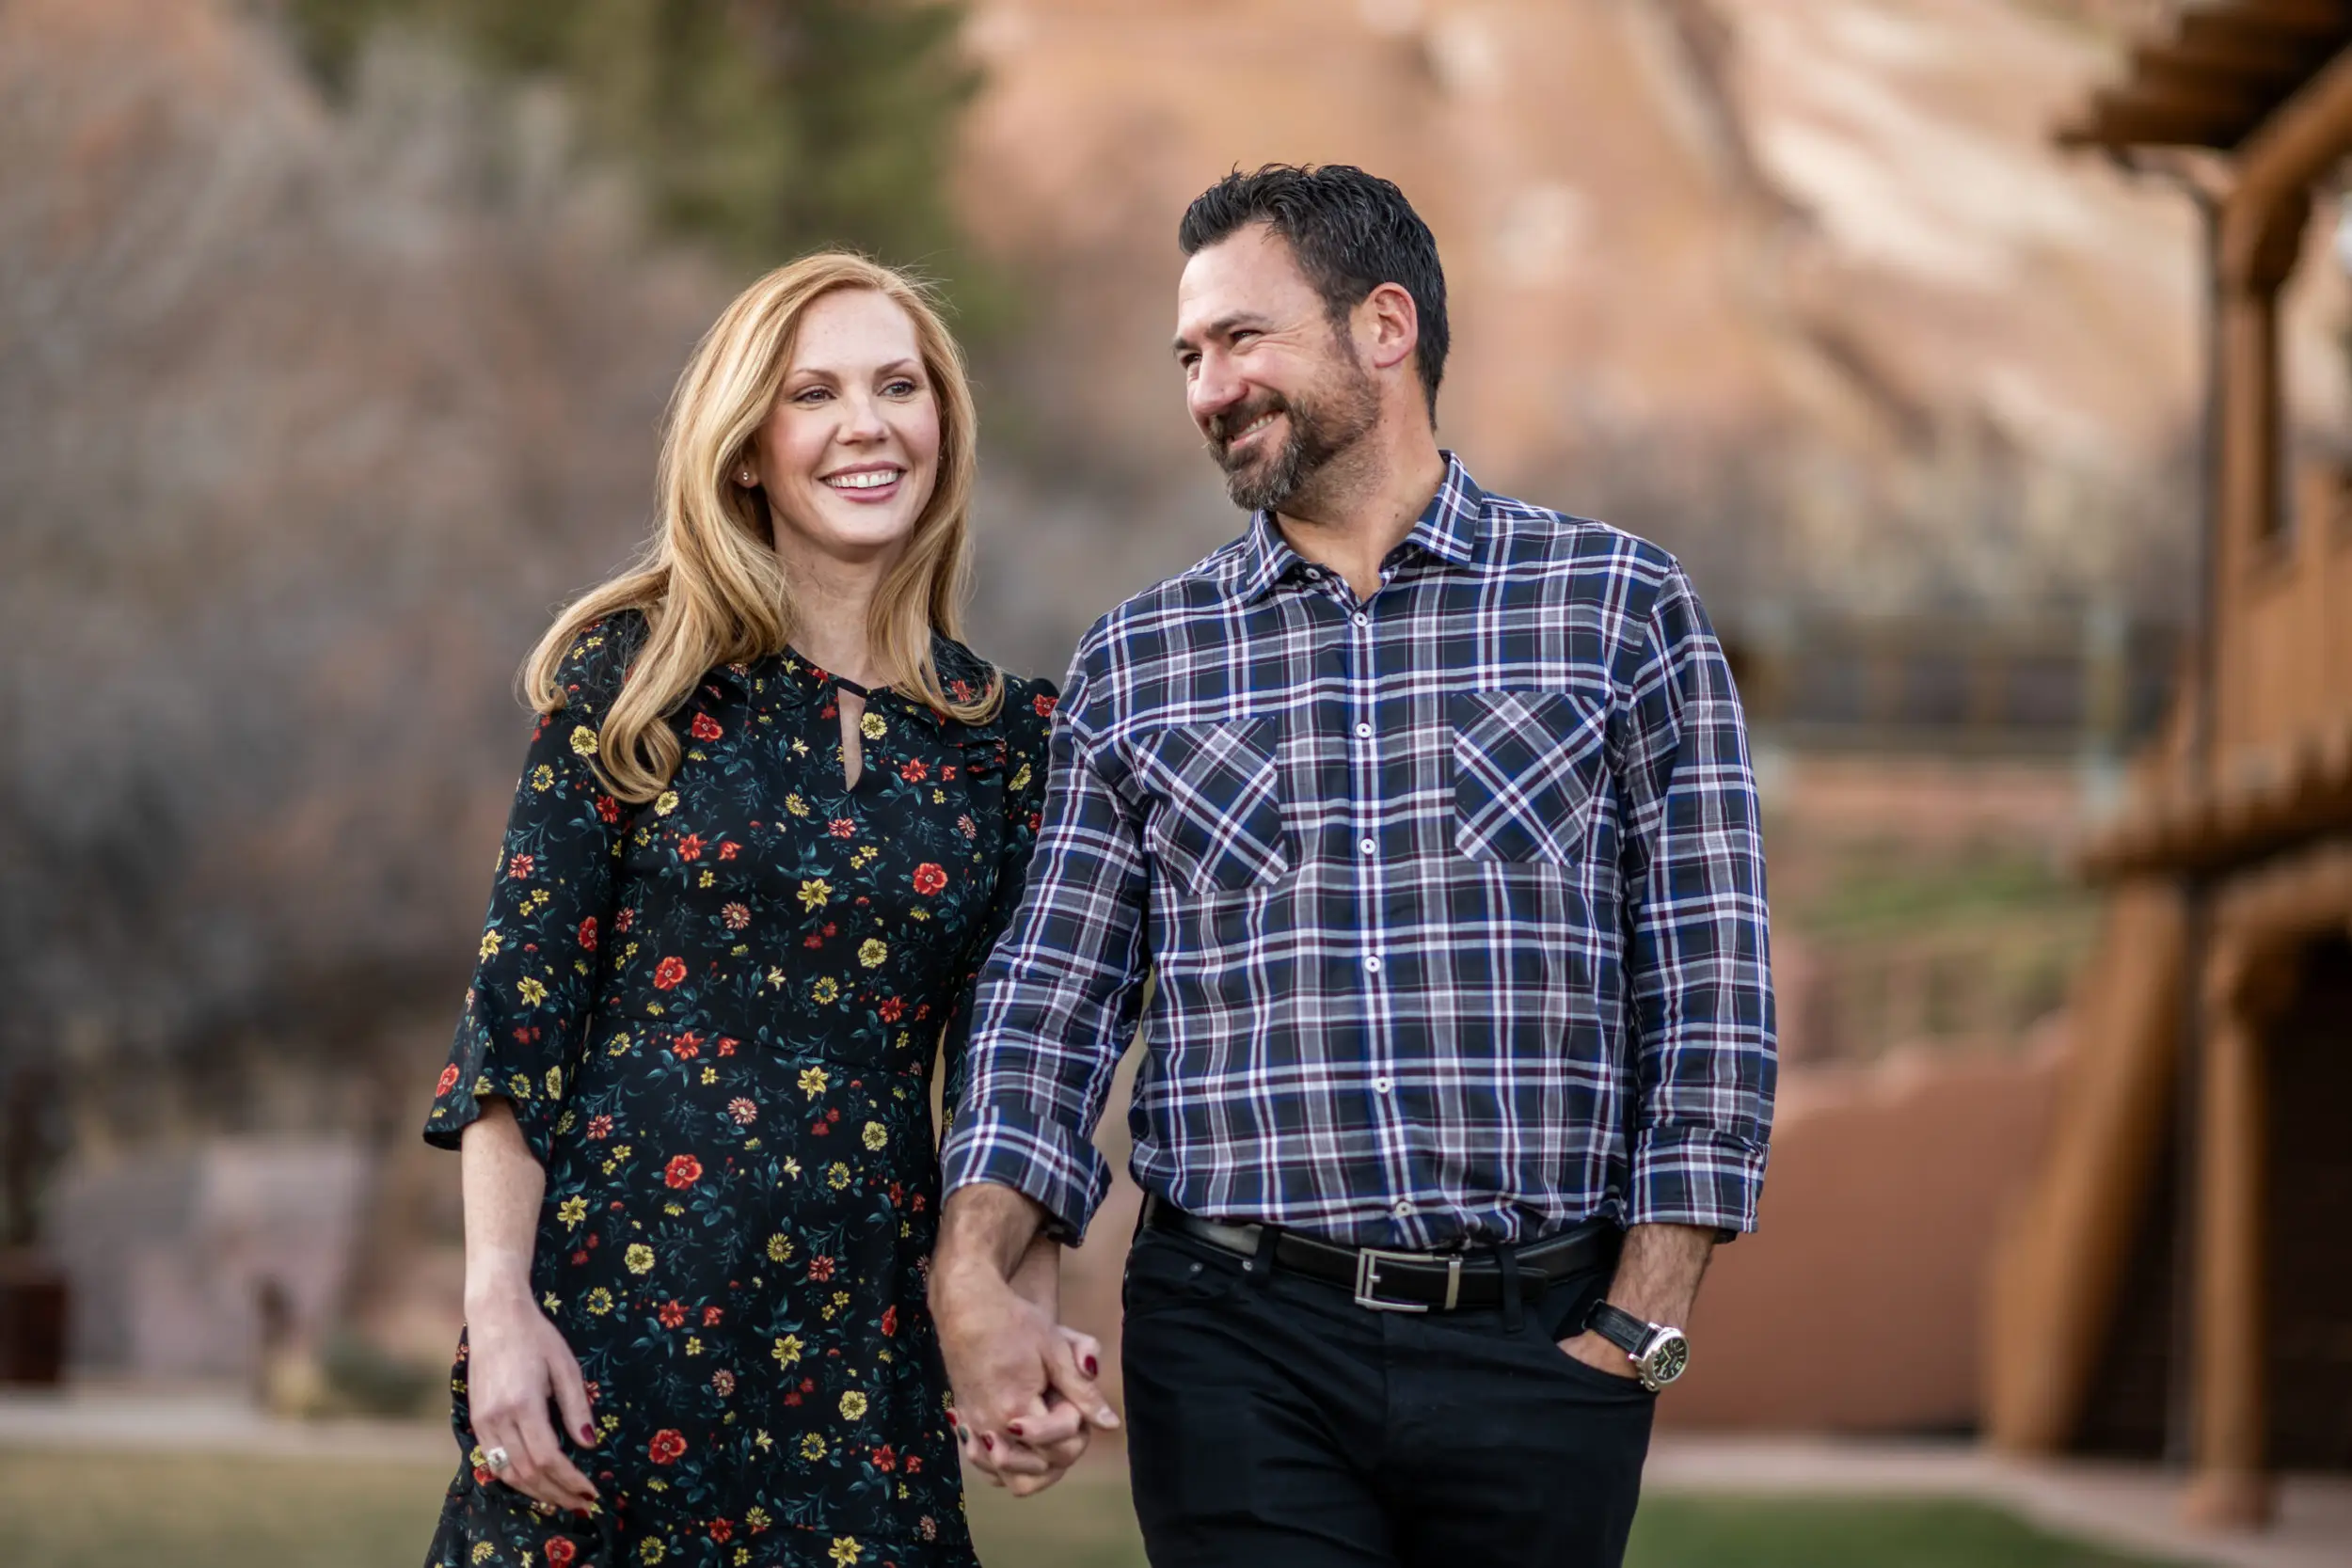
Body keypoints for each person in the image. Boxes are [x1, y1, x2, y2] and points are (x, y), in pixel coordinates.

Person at [930, 165, 1776, 1567]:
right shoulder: (1140, 661)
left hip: (1542, 1349)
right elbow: (1051, 1003)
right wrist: (975, 1268)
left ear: (1384, 326)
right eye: (1190, 357)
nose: (1209, 388)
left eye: (1243, 340)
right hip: (1237, 1341)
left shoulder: (1619, 611)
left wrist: (1644, 1316)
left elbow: (1709, 988)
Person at [420, 251, 1082, 1568]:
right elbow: (516, 1023)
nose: (866, 424)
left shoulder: (1009, 742)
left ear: (943, 426)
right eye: (814, 393)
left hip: (864, 1366)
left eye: (900, 384)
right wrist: (496, 1308)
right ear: (747, 451)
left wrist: (1020, 1323)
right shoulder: (632, 685)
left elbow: (1019, 1068)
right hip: (612, 1327)